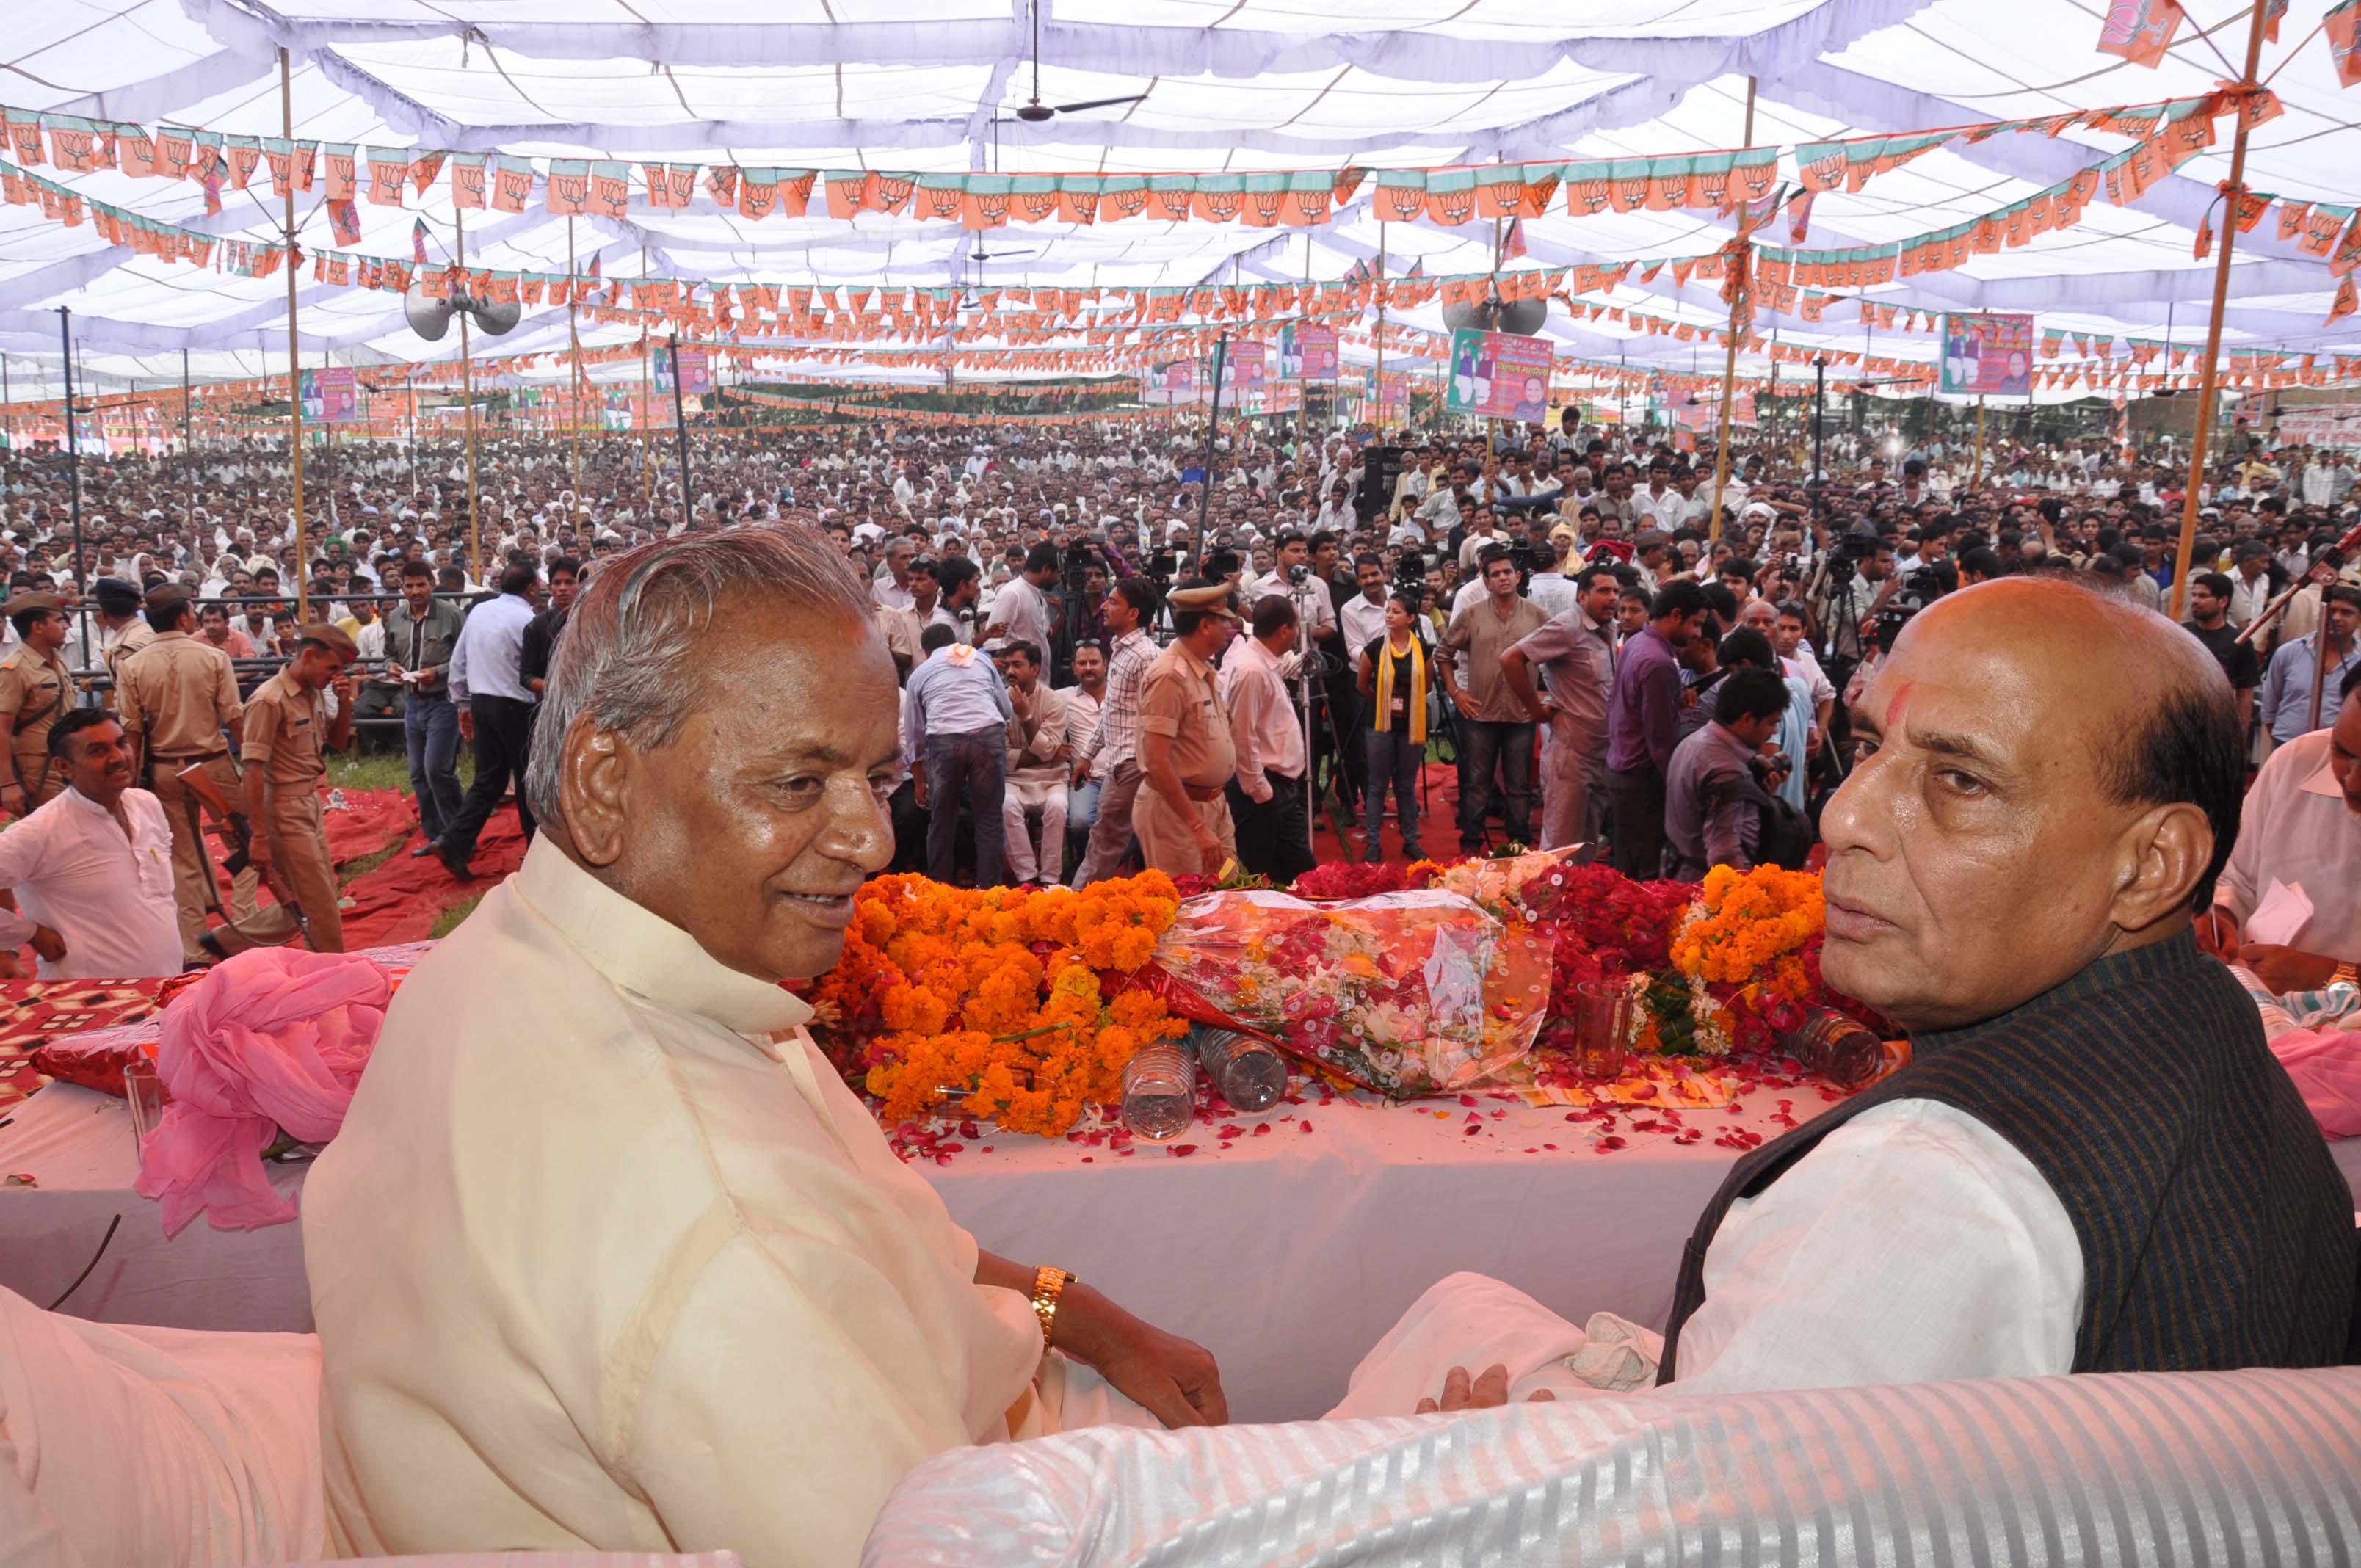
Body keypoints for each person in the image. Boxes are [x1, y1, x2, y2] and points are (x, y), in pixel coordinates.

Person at [305, 526, 1219, 1568]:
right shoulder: (714, 1229)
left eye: (876, 779)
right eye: (797, 784)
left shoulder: (523, 950)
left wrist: (1077, 1313)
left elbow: (888, 1250)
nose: (874, 841)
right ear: (605, 783)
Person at [1340, 578, 2354, 1420]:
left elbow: (1712, 1527)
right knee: (1462, 1306)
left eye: (1959, 780)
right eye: (1870, 747)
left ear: (2152, 866)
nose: (1843, 812)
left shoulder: (1924, 1190)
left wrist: (1482, 1479)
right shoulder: (2208, 1015)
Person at [114, 585, 259, 960]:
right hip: (211, 763)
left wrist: (131, 786)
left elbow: (131, 731)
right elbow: (234, 716)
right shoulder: (212, 657)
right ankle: (244, 924)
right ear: (183, 617)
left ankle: (195, 945)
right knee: (246, 843)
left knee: (181, 857)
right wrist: (253, 765)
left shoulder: (133, 665)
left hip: (164, 768)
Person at [2200, 666, 2361, 992]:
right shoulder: (2295, 764)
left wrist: (2334, 974)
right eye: (2342, 752)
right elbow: (2236, 877)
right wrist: (2222, 916)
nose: (2352, 782)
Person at [0, 709, 181, 979]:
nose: (119, 757)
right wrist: (26, 934)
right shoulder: (41, 830)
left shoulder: (146, 804)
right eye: (98, 751)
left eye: (121, 744)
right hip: (87, 1001)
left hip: (162, 990)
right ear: (64, 767)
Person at [242, 624, 358, 953]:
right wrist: (259, 835)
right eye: (332, 667)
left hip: (309, 802)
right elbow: (251, 770)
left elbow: (336, 742)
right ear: (308, 656)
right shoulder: (269, 700)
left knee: (314, 895)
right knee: (319, 904)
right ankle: (333, 973)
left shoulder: (314, 691)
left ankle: (224, 942)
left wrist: (346, 702)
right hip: (283, 808)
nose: (335, 675)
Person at [1436, 548, 1549, 852]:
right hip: (1479, 714)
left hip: (1521, 714)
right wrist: (1456, 693)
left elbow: (1557, 657)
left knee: (1519, 786)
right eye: (1495, 574)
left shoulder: (1537, 616)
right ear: (1486, 582)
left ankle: (1518, 846)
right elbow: (1442, 654)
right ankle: (1470, 844)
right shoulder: (1472, 615)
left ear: (1518, 576)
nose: (1502, 578)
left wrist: (1543, 694)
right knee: (1476, 784)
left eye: (1507, 572)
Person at [1499, 565, 1619, 852]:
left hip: (1602, 750)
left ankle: (1580, 897)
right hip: (1571, 753)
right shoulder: (1568, 626)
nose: (1612, 598)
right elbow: (1510, 659)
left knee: (1588, 841)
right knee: (1561, 846)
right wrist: (1535, 709)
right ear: (1582, 597)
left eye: (1615, 591)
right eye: (1603, 591)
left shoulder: (1610, 628)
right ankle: (1549, 897)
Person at [435, 565, 542, 878]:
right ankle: (536, 853)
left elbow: (459, 661)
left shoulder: (480, 613)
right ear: (532, 589)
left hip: (482, 701)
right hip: (515, 706)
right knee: (527, 779)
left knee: (489, 778)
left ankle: (455, 840)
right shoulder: (527, 620)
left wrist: (463, 704)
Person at [1134, 581, 1241, 878]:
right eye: (1223, 621)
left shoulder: (1199, 667)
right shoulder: (1170, 675)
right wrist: (1196, 825)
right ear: (1205, 625)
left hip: (1211, 806)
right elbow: (1156, 761)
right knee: (1189, 909)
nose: (1229, 628)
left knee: (1227, 889)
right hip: (1179, 816)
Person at [1604, 580, 1708, 878]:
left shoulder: (1638, 642)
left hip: (1622, 770)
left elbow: (1636, 707)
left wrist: (1674, 700)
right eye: (1695, 624)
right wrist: (1678, 789)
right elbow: (1660, 742)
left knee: (1625, 868)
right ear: (1676, 616)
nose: (1697, 634)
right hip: (1641, 780)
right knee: (1645, 874)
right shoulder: (1658, 661)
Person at [904, 624, 1014, 885]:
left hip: (945, 742)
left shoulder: (920, 673)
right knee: (989, 819)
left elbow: (915, 735)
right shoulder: (982, 661)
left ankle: (940, 893)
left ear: (926, 651)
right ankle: (990, 894)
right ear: (954, 642)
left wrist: (919, 782)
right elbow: (1006, 710)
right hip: (988, 736)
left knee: (942, 820)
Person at [1660, 666, 1791, 880]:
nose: (1774, 732)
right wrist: (1748, 899)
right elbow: (1724, 856)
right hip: (1707, 887)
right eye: (1772, 723)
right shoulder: (1725, 770)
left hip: (1680, 870)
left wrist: (1756, 791)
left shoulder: (1695, 740)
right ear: (1748, 719)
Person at [1222, 595, 1315, 885]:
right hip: (1262, 793)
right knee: (1257, 876)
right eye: (1296, 627)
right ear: (1284, 631)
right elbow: (1241, 735)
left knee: (1302, 877)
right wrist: (1259, 789)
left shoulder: (1264, 662)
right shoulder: (1252, 670)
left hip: (1280, 789)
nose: (1297, 634)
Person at [1072, 578, 1159, 885]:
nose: (1104, 607)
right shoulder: (1121, 649)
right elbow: (1113, 711)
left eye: (1113, 602)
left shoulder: (1145, 656)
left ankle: (1076, 905)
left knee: (1106, 838)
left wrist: (1143, 764)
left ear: (1133, 612)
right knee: (1108, 836)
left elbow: (1157, 716)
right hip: (1121, 761)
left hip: (1134, 762)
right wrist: (1086, 756)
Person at [384, 559, 466, 854]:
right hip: (413, 701)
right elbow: (389, 654)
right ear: (402, 587)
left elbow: (464, 654)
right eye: (409, 586)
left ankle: (459, 836)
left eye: (421, 584)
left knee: (438, 770)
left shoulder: (452, 615)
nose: (415, 591)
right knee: (418, 773)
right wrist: (391, 667)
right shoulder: (396, 617)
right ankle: (436, 837)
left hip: (443, 700)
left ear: (432, 584)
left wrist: (439, 671)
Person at [1355, 589, 1432, 864]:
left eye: (1396, 611)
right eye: (1388, 610)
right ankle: (1373, 843)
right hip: (1380, 725)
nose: (1389, 615)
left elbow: (1428, 685)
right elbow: (1362, 685)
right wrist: (1382, 704)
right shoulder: (1375, 648)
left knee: (1406, 785)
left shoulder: (1424, 650)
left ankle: (1410, 840)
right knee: (1377, 785)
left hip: (1411, 724)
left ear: (1411, 618)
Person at [997, 639, 1069, 888]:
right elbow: (1003, 758)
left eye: (1017, 665)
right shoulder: (1000, 701)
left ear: (1035, 669)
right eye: (1007, 666)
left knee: (1058, 807)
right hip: (1015, 779)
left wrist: (1026, 717)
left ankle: (1050, 879)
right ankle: (1027, 877)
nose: (1010, 672)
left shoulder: (1054, 701)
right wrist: (1046, 753)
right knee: (1006, 805)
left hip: (1052, 777)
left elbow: (1048, 754)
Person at [0, 591, 78, 816]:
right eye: (58, 620)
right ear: (38, 627)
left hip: (64, 765)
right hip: (37, 772)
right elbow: (2, 728)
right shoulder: (14, 669)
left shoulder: (56, 662)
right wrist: (8, 784)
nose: (66, 626)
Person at [2259, 584, 2360, 747]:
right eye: (2331, 611)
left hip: (2339, 750)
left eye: (2347, 613)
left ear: (2359, 619)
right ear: (2321, 614)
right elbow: (2270, 708)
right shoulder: (2288, 653)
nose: (2336, 618)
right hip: (2288, 744)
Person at [2182, 571, 2261, 739]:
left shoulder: (2239, 642)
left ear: (2223, 601)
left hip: (2216, 728)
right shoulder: (2180, 633)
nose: (2195, 601)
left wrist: (2241, 735)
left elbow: (2245, 693)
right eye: (2194, 595)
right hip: (2181, 723)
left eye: (2203, 596)